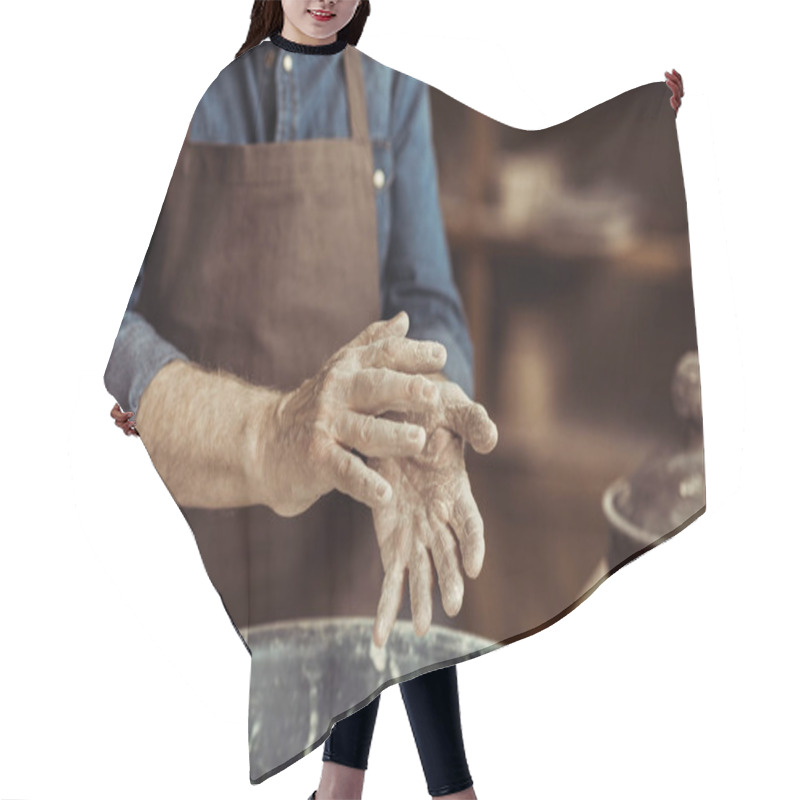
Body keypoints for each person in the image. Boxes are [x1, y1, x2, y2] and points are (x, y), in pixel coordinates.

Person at [105, 2, 684, 797]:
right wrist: (160, 392)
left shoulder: (392, 94)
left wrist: (430, 407)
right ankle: (435, 793)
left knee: (390, 583)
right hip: (246, 479)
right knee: (372, 596)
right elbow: (142, 309)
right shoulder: (221, 94)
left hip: (371, 440)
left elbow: (426, 290)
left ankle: (352, 790)